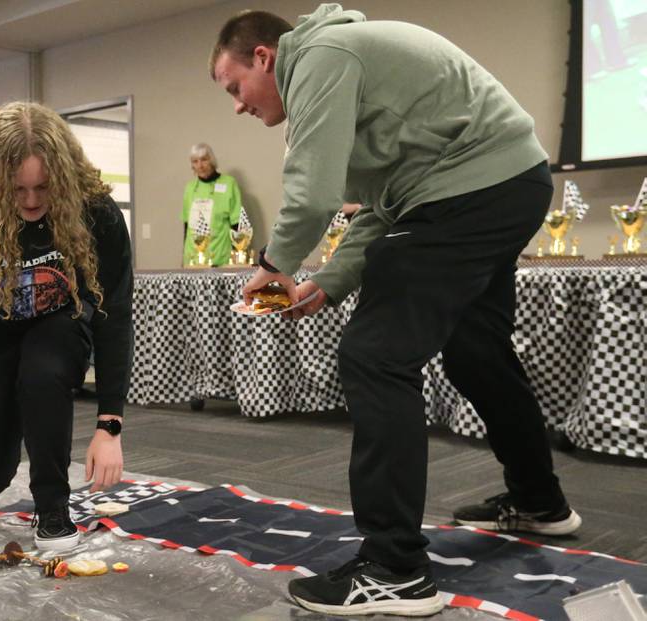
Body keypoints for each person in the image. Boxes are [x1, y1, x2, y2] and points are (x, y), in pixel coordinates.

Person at [210, 5, 581, 616]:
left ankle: (395, 570)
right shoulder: (348, 69)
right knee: (474, 351)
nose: (238, 105)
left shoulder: (324, 58)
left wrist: (272, 266)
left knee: (374, 355)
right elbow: (386, 207)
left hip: (471, 191)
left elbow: (313, 194)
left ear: (264, 57)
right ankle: (540, 501)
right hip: (504, 184)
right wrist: (326, 283)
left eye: (235, 88)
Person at [0, 101, 134, 552]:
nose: (33, 202)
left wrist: (110, 424)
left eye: (44, 188)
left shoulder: (98, 213)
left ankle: (53, 509)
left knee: (44, 371)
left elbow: (114, 315)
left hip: (59, 322)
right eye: (18, 190)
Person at [181, 142, 243, 266]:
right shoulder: (190, 188)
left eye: (204, 160)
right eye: (195, 161)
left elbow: (237, 223)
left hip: (220, 255)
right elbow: (186, 225)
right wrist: (183, 258)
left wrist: (237, 256)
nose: (200, 165)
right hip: (193, 258)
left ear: (212, 160)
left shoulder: (229, 184)